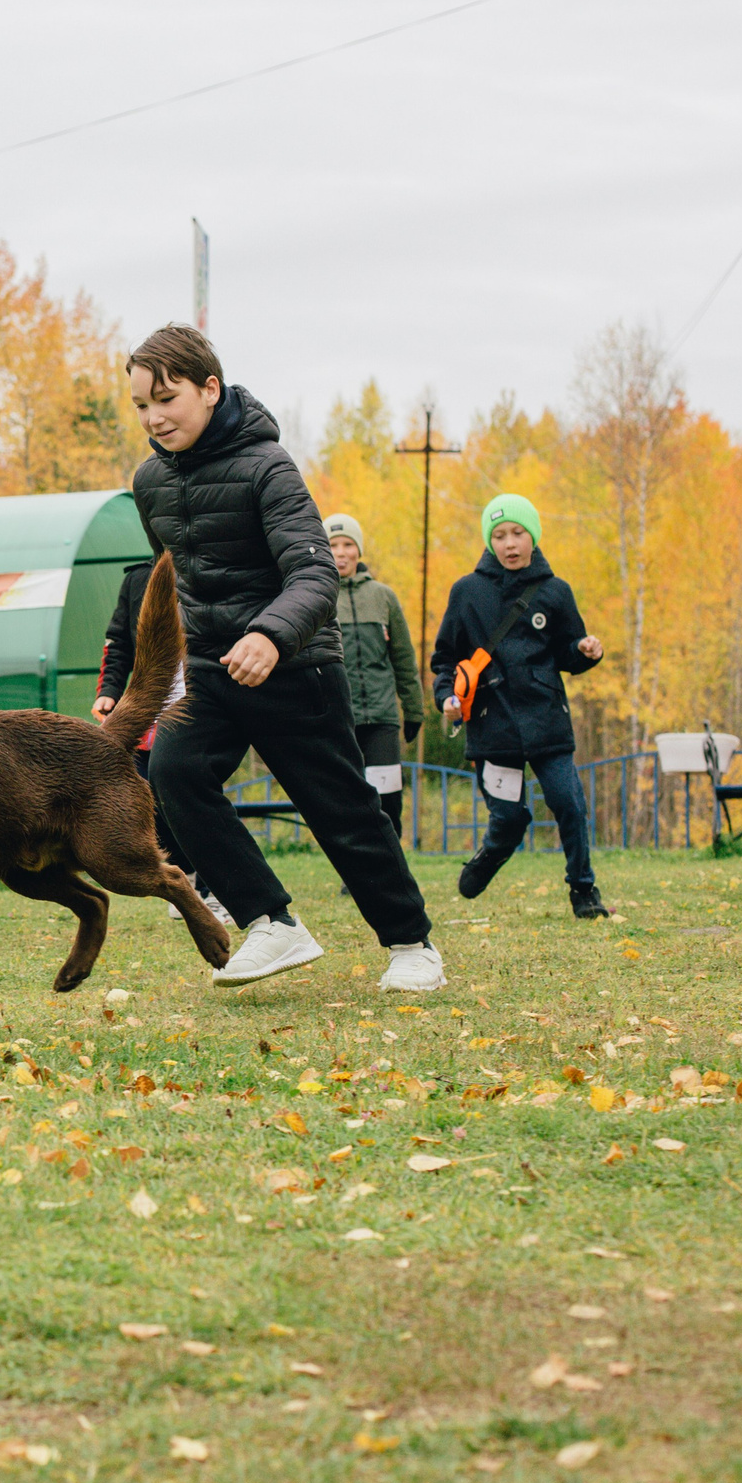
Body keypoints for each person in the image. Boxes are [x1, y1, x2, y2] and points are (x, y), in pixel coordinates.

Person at [125, 324, 443, 992]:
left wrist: (270, 634)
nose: (154, 417)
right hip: (212, 668)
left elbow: (315, 575)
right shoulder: (149, 481)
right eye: (141, 406)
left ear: (210, 389)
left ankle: (412, 945)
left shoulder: (268, 467)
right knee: (174, 775)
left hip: (296, 664)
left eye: (167, 397)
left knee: (342, 811)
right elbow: (172, 576)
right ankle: (272, 922)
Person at [429, 493, 610, 918]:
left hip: (547, 722)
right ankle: (490, 855)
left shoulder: (555, 591)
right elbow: (444, 660)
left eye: (517, 533)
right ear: (489, 542)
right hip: (493, 729)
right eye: (499, 535)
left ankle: (584, 891)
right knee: (509, 818)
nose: (510, 543)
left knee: (569, 805)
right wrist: (446, 699)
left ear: (533, 536)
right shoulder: (466, 592)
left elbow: (567, 653)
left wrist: (585, 652)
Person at [93, 558, 224, 925]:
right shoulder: (137, 579)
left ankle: (218, 888)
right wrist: (109, 690)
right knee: (154, 793)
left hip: (203, 701)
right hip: (153, 702)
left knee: (195, 790)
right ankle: (185, 877)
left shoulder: (211, 568)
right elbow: (118, 641)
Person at [323, 513, 428, 835]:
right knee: (347, 799)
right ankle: (354, 873)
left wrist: (413, 711)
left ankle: (391, 873)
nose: (341, 552)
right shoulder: (317, 597)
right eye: (333, 545)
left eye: (348, 545)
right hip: (339, 719)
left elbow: (404, 661)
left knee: (388, 799)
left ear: (359, 550)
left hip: (382, 719)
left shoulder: (384, 597)